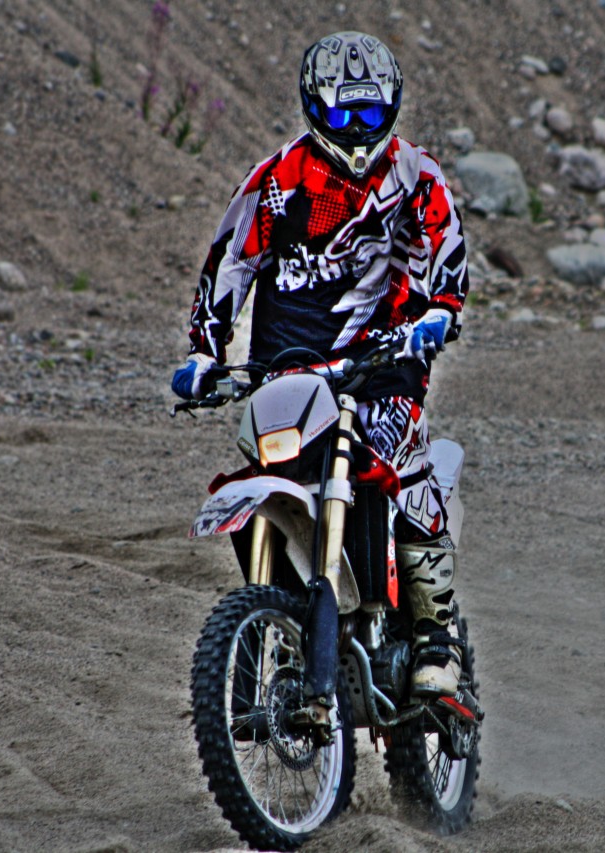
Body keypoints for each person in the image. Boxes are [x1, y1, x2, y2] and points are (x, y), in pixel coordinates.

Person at [171, 31, 469, 698]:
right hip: (289, 371)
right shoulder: (279, 180)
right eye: (343, 112)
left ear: (393, 106)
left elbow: (445, 248)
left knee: (404, 462)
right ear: (314, 107)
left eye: (371, 111)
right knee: (266, 467)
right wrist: (204, 351)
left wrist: (439, 312)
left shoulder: (417, 176)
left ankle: (435, 637)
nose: (358, 127)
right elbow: (231, 261)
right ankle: (268, 624)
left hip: (384, 362)